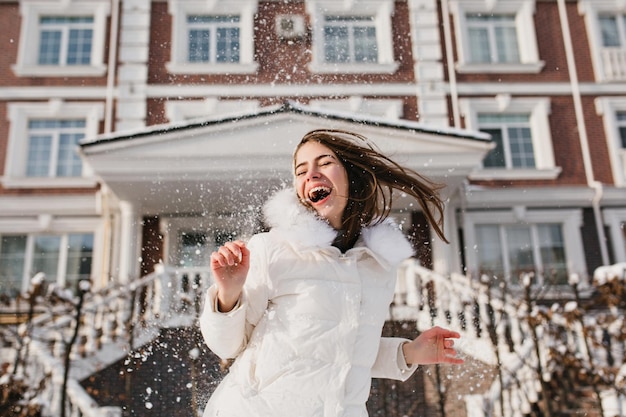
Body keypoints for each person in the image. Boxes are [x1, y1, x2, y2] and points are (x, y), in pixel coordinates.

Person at [199, 129, 464, 417]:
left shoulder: (377, 266)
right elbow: (227, 346)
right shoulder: (273, 249)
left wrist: (409, 353)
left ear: (351, 175)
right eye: (301, 170)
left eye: (324, 163)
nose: (311, 174)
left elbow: (343, 349)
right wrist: (228, 293)